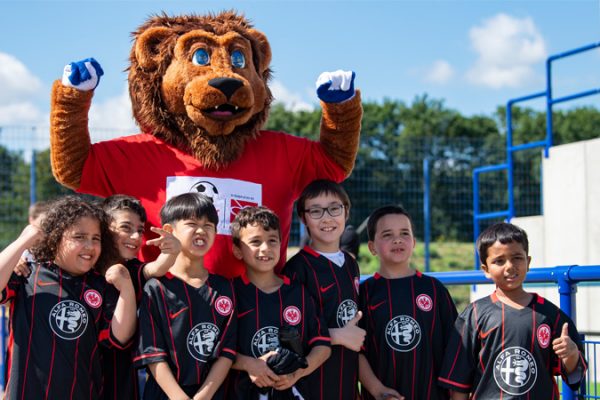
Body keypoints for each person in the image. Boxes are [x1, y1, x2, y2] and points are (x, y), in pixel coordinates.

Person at [0, 195, 137, 399]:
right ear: (56, 237)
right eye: (79, 237)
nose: (89, 246)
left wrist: (126, 288)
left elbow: (120, 338)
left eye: (95, 238)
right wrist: (23, 241)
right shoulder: (27, 275)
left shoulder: (101, 286)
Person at [438, 222, 587, 399]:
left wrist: (570, 354)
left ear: (528, 261)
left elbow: (573, 374)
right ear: (486, 269)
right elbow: (459, 382)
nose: (509, 266)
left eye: (517, 257)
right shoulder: (474, 315)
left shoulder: (551, 316)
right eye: (499, 261)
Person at [134, 193, 237, 400]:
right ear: (169, 231)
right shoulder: (156, 288)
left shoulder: (224, 287)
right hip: (164, 394)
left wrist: (203, 396)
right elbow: (153, 355)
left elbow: (227, 352)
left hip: (212, 394)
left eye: (209, 225)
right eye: (192, 223)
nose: (201, 231)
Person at [226, 206, 331, 399]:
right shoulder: (229, 294)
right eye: (255, 242)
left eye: (272, 240)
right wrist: (249, 364)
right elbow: (215, 350)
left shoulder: (298, 293)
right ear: (238, 250)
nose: (265, 248)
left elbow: (322, 345)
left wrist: (297, 372)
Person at [359, 205, 457, 400]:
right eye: (387, 235)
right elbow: (355, 353)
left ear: (413, 242)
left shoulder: (434, 290)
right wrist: (377, 390)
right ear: (372, 247)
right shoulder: (364, 293)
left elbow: (455, 350)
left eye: (405, 233)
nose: (397, 239)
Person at [283, 179, 365, 400]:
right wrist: (336, 336)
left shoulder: (350, 264)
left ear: (346, 212)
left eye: (334, 208)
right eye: (316, 211)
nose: (327, 217)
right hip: (309, 384)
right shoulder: (297, 269)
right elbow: (287, 334)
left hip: (345, 382)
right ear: (303, 218)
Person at [101, 194, 181, 400]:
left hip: (121, 382)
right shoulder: (81, 268)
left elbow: (157, 267)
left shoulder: (134, 271)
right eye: (126, 227)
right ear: (104, 226)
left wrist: (172, 251)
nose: (136, 237)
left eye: (139, 230)